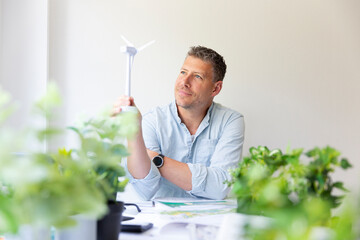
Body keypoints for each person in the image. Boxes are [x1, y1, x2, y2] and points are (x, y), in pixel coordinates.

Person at [112, 46, 244, 200]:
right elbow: (145, 189)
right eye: (183, 72)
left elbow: (219, 188)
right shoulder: (152, 121)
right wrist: (133, 132)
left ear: (215, 88)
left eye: (197, 77)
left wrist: (156, 158)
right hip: (160, 220)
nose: (184, 82)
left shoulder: (231, 121)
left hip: (210, 221)